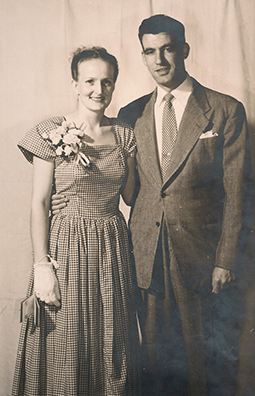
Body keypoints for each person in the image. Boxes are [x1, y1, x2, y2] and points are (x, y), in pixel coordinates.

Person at [51, 15, 254, 396]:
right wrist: (68, 194)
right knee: (152, 363)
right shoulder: (130, 115)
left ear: (184, 50)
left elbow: (239, 192)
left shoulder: (225, 110)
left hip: (202, 256)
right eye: (149, 52)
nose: (159, 59)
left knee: (205, 363)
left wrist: (226, 259)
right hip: (144, 255)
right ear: (142, 57)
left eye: (167, 49)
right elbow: (122, 185)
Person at [12, 46, 141, 396]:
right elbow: (39, 203)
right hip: (66, 245)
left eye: (107, 82)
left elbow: (132, 197)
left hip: (112, 247)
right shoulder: (51, 132)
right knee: (66, 339)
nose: (99, 90)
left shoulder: (126, 135)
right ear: (75, 84)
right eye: (90, 81)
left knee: (110, 339)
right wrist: (42, 267)